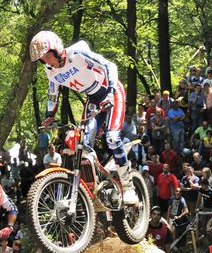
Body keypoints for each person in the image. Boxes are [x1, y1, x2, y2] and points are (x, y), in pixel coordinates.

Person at [30, 31, 138, 205]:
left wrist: (110, 93)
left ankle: (128, 187)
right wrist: (50, 115)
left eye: (48, 56)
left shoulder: (78, 53)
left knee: (111, 137)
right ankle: (98, 183)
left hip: (111, 92)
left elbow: (110, 66)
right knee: (81, 145)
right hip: (93, 100)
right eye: (43, 59)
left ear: (57, 50)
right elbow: (52, 92)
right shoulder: (50, 71)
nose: (47, 62)